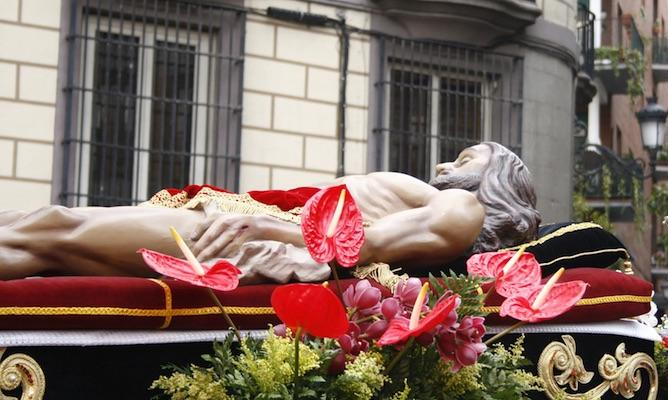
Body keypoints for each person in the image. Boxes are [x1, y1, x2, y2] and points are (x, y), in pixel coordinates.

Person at [0, 142, 541, 283]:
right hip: (252, 230)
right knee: (47, 238)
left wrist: (260, 223)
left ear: (496, 179)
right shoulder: (441, 202)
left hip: (254, 242)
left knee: (51, 230)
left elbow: (364, 244)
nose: (448, 163)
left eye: (468, 158)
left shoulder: (462, 208)